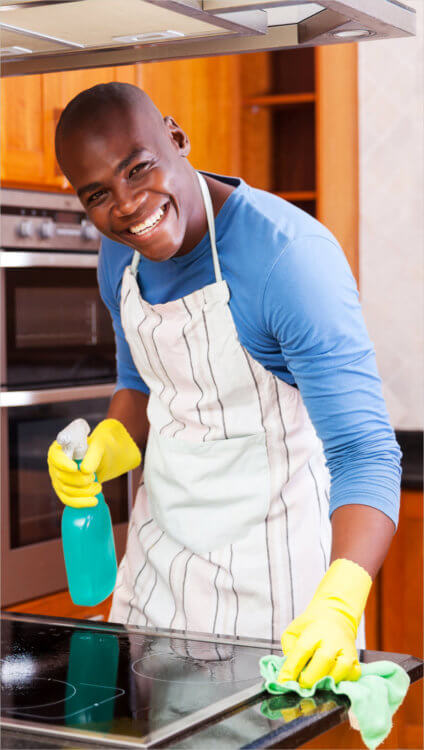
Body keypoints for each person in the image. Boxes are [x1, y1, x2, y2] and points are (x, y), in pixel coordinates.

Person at [48, 82, 400, 689]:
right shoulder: (119, 257)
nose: (129, 206)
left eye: (139, 168)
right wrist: (109, 445)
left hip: (281, 599)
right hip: (159, 581)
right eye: (99, 194)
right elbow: (141, 387)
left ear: (178, 138)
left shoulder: (288, 259)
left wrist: (340, 602)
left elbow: (365, 452)